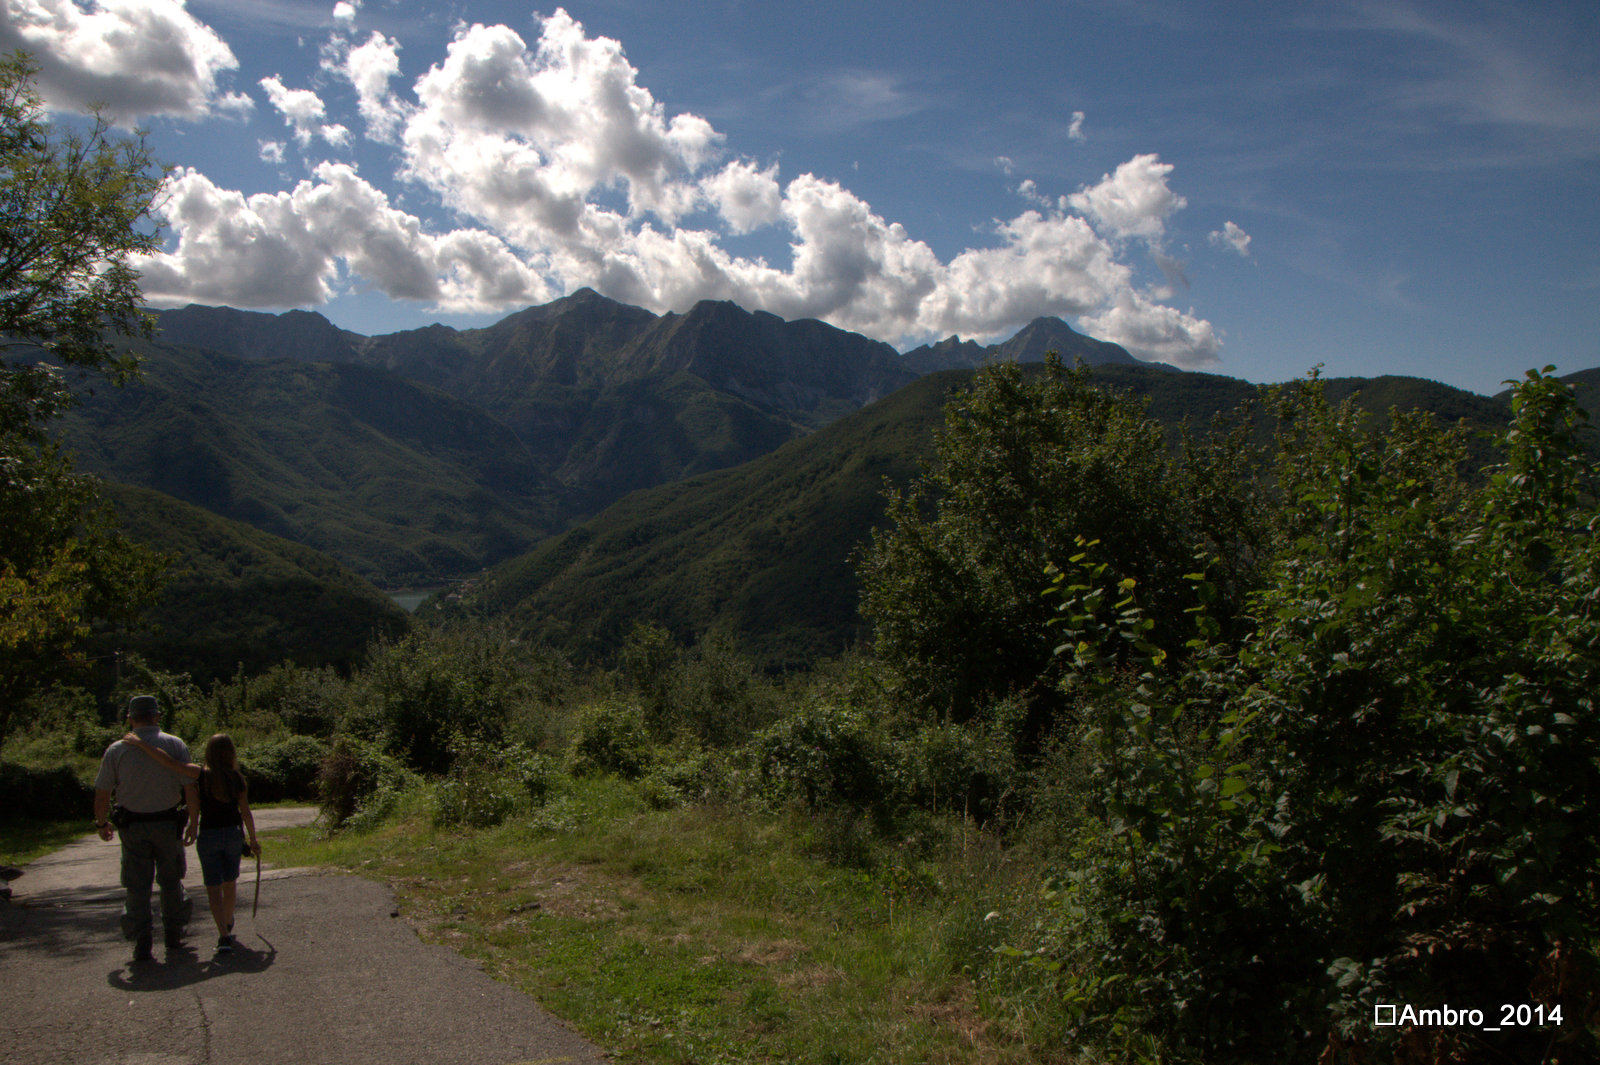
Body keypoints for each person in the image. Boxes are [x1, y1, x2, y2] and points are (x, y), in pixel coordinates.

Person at [121, 730, 260, 955]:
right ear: (231, 753)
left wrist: (140, 744)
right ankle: (228, 920)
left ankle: (224, 936)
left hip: (209, 836)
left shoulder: (199, 774)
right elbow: (246, 812)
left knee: (213, 887)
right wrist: (253, 839)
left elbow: (168, 762)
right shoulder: (237, 779)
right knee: (230, 882)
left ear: (208, 752)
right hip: (233, 835)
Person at [93, 695, 198, 962]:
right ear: (157, 716)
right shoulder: (175, 744)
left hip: (133, 826)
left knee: (137, 886)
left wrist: (102, 822)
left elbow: (103, 792)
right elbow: (190, 786)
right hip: (167, 824)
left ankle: (142, 940)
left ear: (130, 718)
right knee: (171, 881)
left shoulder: (116, 750)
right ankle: (174, 933)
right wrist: (194, 822)